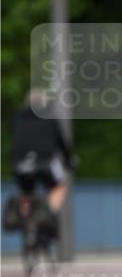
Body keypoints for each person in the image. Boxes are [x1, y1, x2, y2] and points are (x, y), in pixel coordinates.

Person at [12, 88, 73, 216]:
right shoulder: (50, 119)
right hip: (46, 163)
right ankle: (51, 214)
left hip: (20, 165)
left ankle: (26, 220)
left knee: (26, 193)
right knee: (59, 185)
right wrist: (69, 161)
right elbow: (62, 144)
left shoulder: (18, 119)